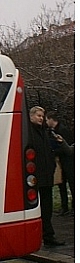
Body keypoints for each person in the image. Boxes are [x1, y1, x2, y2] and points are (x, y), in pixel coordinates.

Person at [29, 105, 65, 247]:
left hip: (46, 175)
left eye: (42, 116)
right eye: (38, 116)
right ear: (31, 116)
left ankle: (48, 236)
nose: (41, 118)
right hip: (34, 177)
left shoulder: (45, 132)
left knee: (47, 208)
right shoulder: (28, 132)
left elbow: (51, 150)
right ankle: (39, 236)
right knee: (35, 209)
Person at [46, 110, 74, 213]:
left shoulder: (62, 130)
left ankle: (72, 207)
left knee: (71, 184)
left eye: (47, 120)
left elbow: (68, 149)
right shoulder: (53, 131)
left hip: (68, 161)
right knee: (62, 184)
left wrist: (54, 151)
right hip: (62, 161)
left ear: (51, 119)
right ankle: (65, 206)